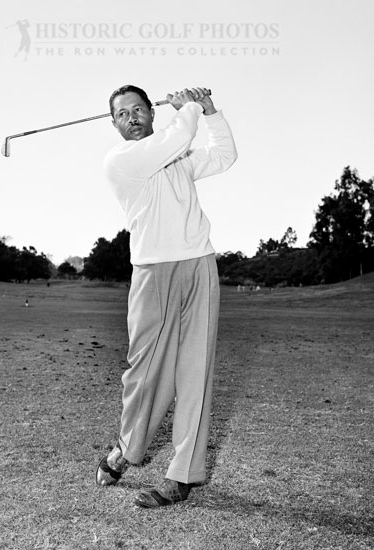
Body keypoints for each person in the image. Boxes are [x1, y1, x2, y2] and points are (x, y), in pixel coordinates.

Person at [96, 84, 237, 508]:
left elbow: (224, 155)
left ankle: (182, 475)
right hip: (152, 271)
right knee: (143, 372)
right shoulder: (122, 160)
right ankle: (126, 450)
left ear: (152, 113)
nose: (133, 117)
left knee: (196, 370)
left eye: (139, 109)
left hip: (198, 263)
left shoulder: (176, 155)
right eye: (123, 113)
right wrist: (188, 108)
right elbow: (177, 137)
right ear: (114, 124)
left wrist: (210, 112)